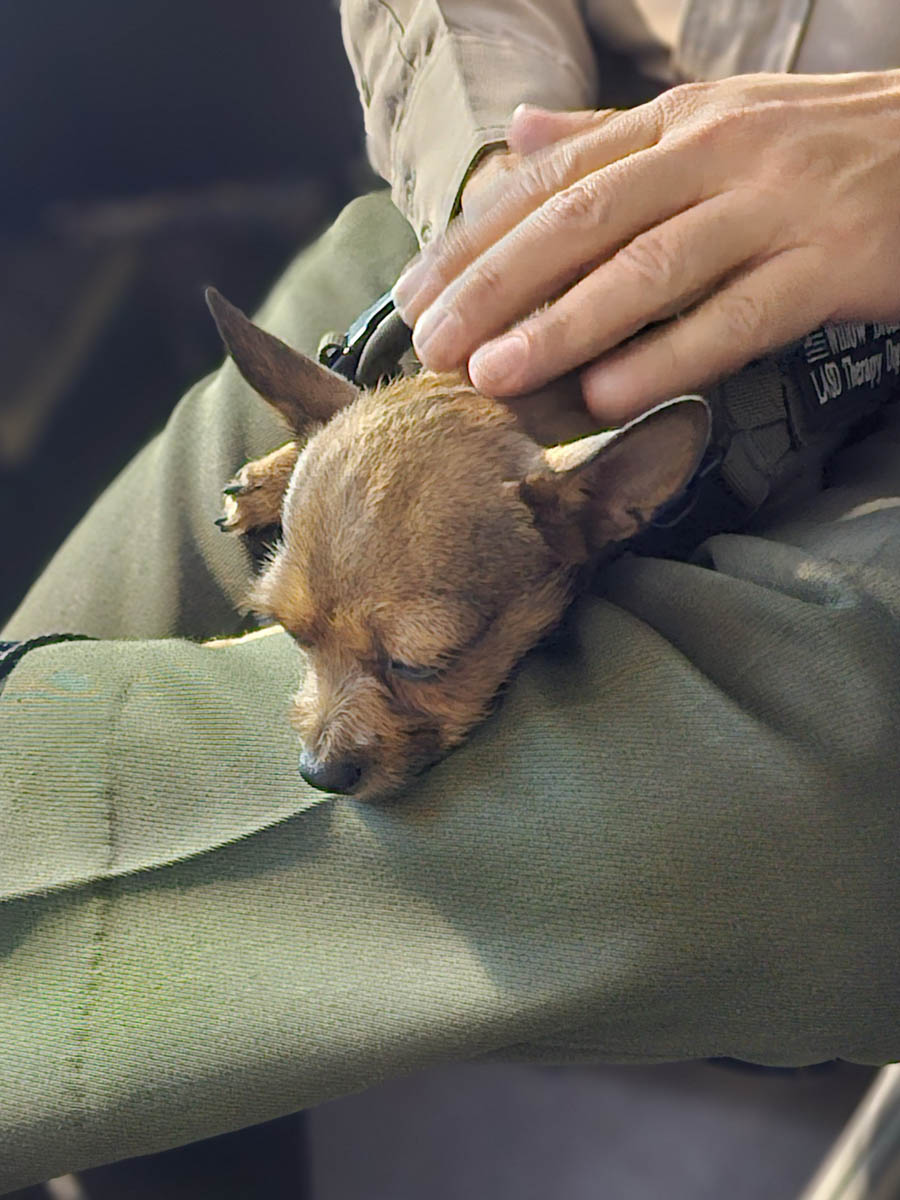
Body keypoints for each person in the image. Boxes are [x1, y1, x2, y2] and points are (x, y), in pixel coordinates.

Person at [2, 1, 899, 1194]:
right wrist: (492, 168)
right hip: (522, 245)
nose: (323, 738)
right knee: (49, 709)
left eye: (415, 661)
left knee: (782, 792)